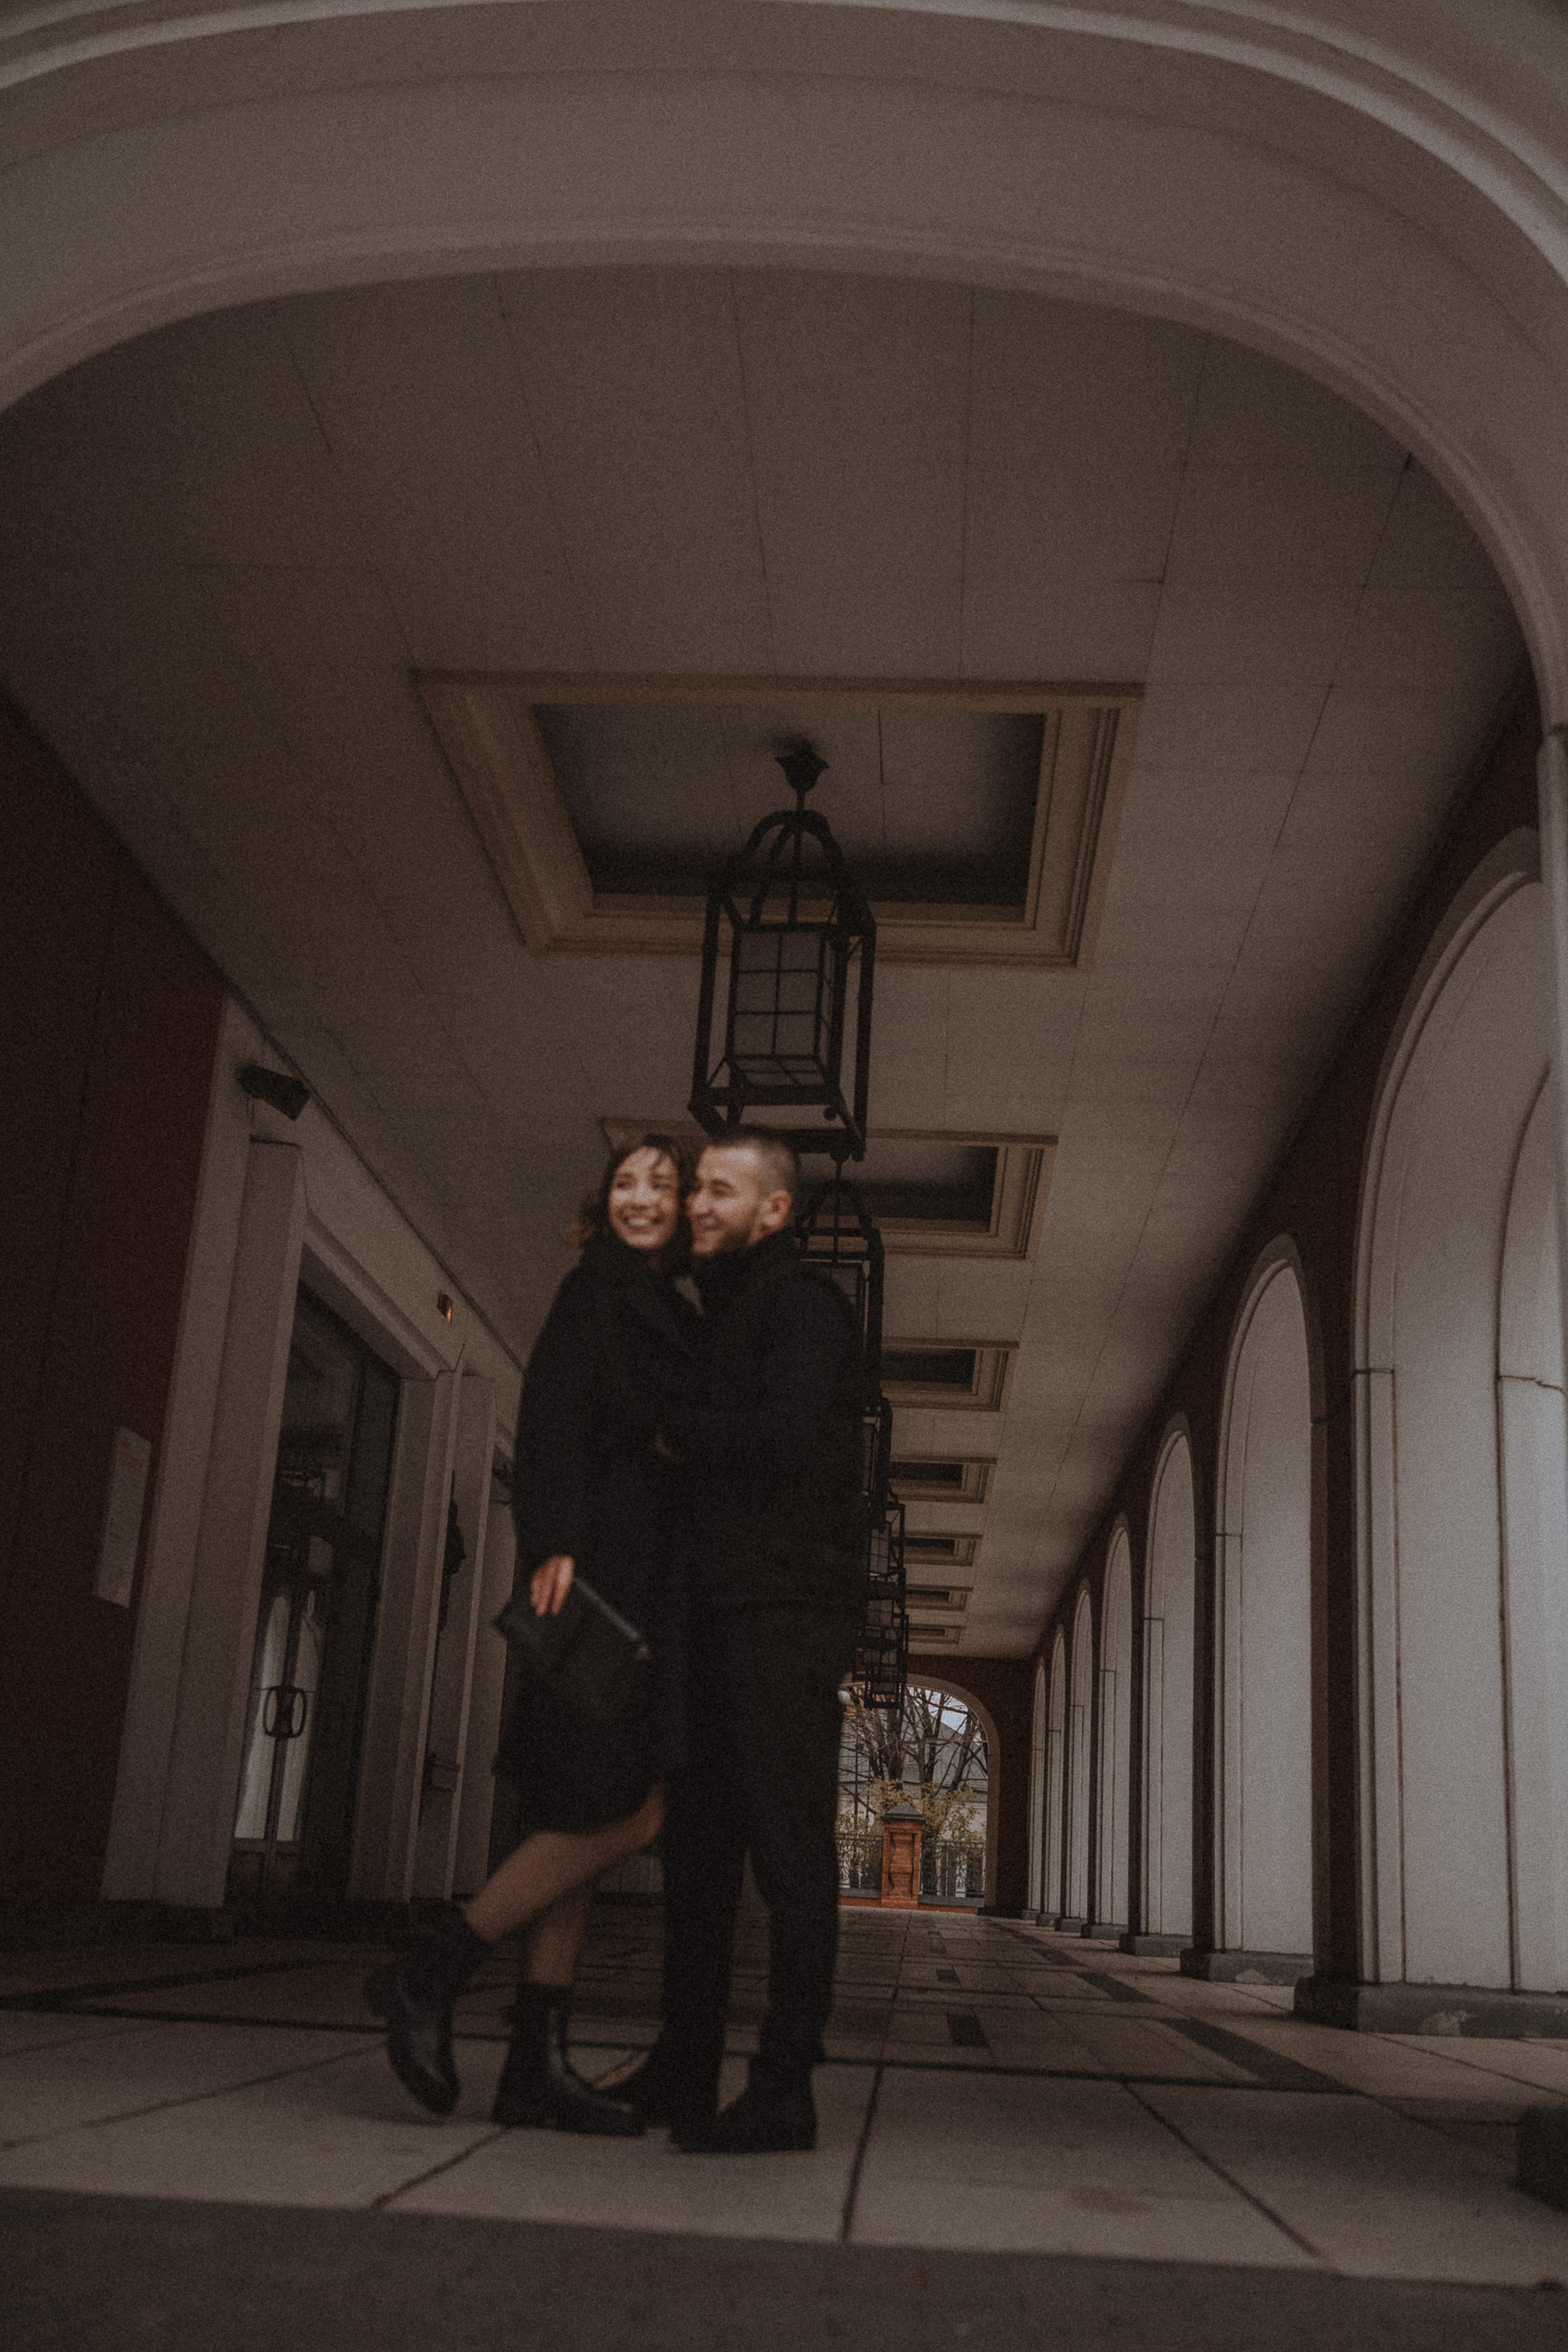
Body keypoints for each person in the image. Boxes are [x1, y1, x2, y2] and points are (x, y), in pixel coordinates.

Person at [367, 1134, 698, 2133]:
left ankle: (533, 2066)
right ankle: (433, 1970)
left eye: (662, 1184)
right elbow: (551, 1418)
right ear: (605, 1202)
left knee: (578, 1811)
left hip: (639, 1584)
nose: (640, 1196)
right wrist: (551, 1541)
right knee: (630, 1812)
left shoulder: (670, 1311)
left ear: (685, 1209)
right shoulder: (595, 1291)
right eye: (626, 1181)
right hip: (596, 1585)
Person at [616, 1126, 865, 2155]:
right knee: (701, 1853)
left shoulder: (801, 1302)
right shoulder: (720, 1312)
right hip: (716, 1612)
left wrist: (674, 1430)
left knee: (788, 1850)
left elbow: (788, 1441)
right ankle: (684, 2066)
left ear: (775, 1210)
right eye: (696, 1189)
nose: (697, 1204)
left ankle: (783, 2086)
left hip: (781, 1612)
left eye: (720, 1189)